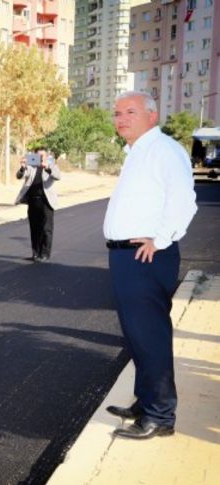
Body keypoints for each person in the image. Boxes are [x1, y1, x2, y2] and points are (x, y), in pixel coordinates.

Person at [104, 91, 197, 439]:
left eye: (130, 111)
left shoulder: (164, 150)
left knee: (150, 335)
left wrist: (160, 240)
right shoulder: (137, 153)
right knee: (137, 336)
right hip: (126, 256)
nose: (121, 118)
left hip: (146, 256)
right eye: (117, 113)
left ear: (152, 116)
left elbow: (184, 201)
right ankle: (145, 403)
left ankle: (160, 416)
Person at [14, 149, 60, 262]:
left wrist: (47, 167)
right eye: (37, 155)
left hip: (46, 201)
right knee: (34, 228)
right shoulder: (31, 166)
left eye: (42, 155)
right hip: (33, 201)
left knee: (46, 229)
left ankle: (45, 254)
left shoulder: (52, 165)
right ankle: (35, 253)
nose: (40, 157)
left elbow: (58, 176)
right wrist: (23, 167)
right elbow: (19, 176)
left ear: (46, 156)